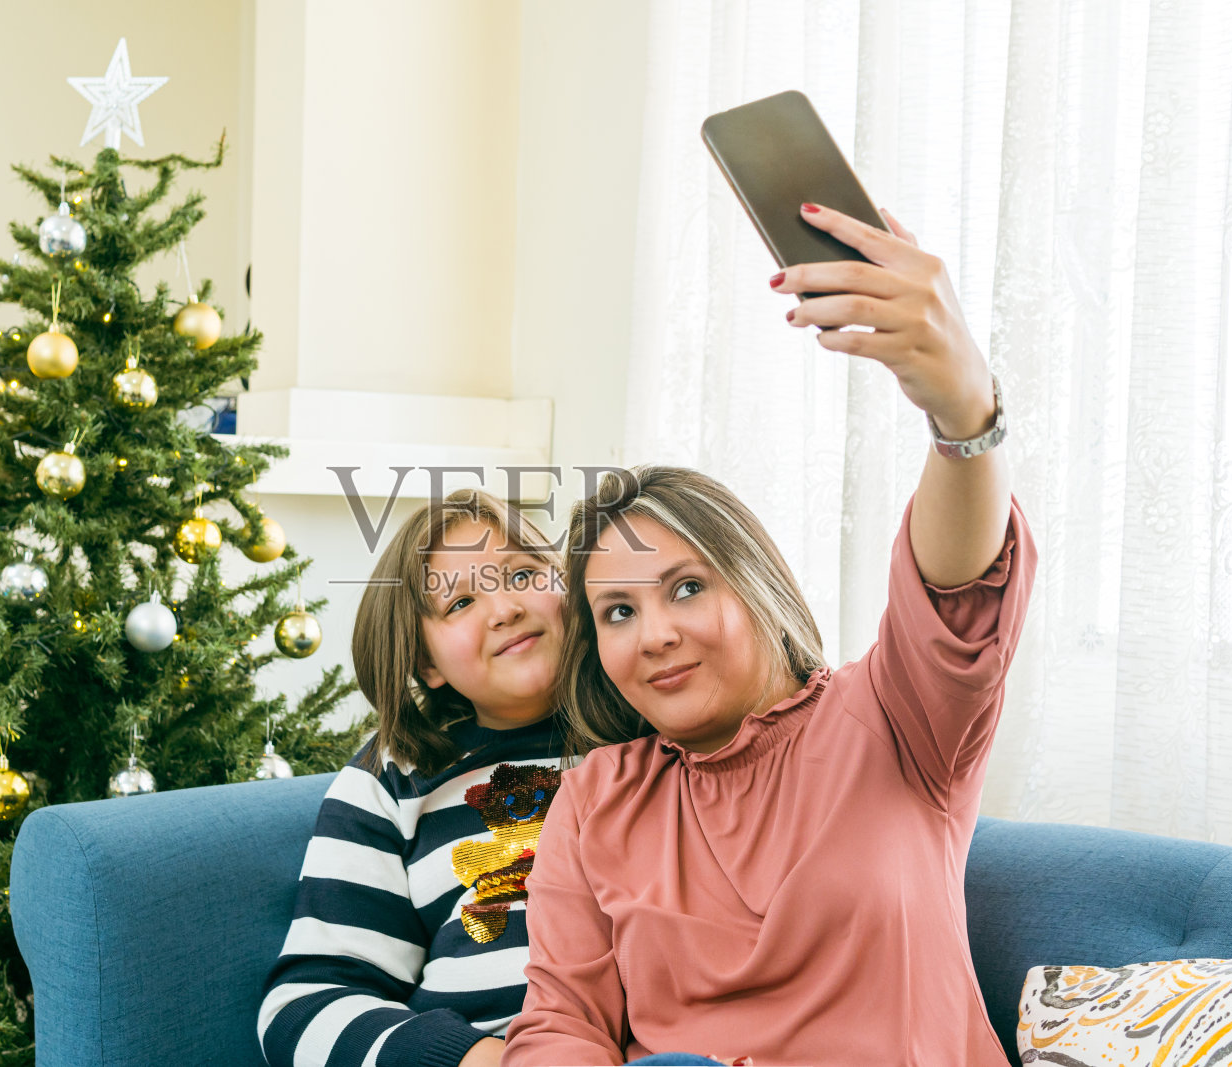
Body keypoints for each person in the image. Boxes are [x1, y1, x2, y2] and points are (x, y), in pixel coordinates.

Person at [503, 202, 1036, 1066]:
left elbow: (957, 587)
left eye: (685, 587)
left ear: (755, 585)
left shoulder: (897, 721)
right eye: (619, 612)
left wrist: (961, 413)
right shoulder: (599, 798)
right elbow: (562, 1019)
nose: (656, 634)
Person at [259, 489, 572, 1067]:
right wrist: (478, 1060)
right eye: (458, 604)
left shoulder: (657, 731)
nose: (503, 609)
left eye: (524, 574)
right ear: (427, 663)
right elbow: (304, 1008)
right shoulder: (393, 778)